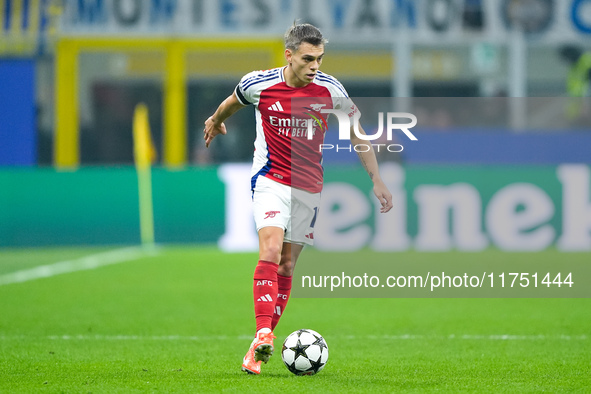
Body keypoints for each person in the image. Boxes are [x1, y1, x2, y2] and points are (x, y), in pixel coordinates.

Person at [203, 23, 393, 375]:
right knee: (271, 252)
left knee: (288, 266)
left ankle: (259, 345)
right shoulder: (258, 83)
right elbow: (233, 102)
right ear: (288, 55)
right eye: (308, 58)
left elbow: (357, 134)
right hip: (270, 180)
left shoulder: (331, 89)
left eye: (320, 59)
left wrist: (377, 179)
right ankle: (263, 332)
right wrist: (215, 120)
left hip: (308, 187)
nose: (315, 66)